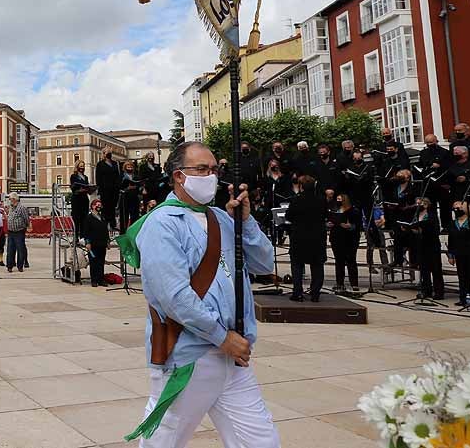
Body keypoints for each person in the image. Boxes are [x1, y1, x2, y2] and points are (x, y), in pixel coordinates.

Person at [133, 142, 278, 448]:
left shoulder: (221, 218)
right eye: (201, 169)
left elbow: (264, 263)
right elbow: (174, 297)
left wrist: (246, 222)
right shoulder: (161, 224)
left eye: (214, 170)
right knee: (165, 439)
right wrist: (221, 336)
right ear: (179, 176)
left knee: (260, 440)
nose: (210, 176)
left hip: (233, 355)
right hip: (190, 356)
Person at [284, 175, 327, 302]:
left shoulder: (296, 200)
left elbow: (289, 216)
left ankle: (297, 292)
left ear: (301, 186)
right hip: (317, 236)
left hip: (299, 236)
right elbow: (325, 215)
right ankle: (315, 293)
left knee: (297, 264)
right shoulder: (321, 200)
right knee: (317, 265)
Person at [411, 197, 444, 300]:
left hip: (432, 244)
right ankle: (426, 290)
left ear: (426, 204)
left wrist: (422, 228)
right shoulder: (416, 215)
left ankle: (439, 292)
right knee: (424, 269)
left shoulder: (432, 214)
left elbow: (435, 229)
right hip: (421, 244)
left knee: (436, 269)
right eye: (416, 204)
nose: (418, 206)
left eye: (420, 204)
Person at [329, 192, 362, 293]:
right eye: (337, 199)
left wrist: (350, 226)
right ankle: (340, 283)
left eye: (340, 199)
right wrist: (329, 224)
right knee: (339, 262)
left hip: (350, 239)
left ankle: (354, 284)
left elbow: (357, 225)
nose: (338, 201)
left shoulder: (354, 211)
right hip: (336, 238)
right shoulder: (334, 210)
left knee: (351, 261)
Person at [385, 169, 417, 268]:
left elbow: (415, 203)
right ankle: (398, 260)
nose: (399, 177)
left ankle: (413, 261)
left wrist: (407, 207)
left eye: (401, 175)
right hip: (396, 215)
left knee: (411, 240)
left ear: (407, 177)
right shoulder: (395, 187)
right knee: (397, 239)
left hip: (408, 215)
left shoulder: (412, 188)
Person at [448, 200, 470, 306]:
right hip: (459, 253)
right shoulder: (453, 223)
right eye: (455, 208)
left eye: (460, 207)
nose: (457, 210)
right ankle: (463, 297)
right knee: (462, 277)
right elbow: (451, 240)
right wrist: (451, 255)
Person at [83, 198, 110, 287]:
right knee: (93, 262)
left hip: (102, 243)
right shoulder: (89, 218)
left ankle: (101, 279)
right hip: (93, 244)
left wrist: (107, 241)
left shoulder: (102, 217)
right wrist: (87, 242)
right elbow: (86, 232)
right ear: (92, 206)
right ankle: (94, 280)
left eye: (99, 205)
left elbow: (106, 230)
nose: (98, 206)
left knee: (101, 262)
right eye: (96, 205)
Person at [5, 192, 31, 272]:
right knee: (10, 249)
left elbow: (26, 218)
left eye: (10, 199)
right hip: (11, 231)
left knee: (20, 249)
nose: (9, 201)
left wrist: (27, 226)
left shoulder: (21, 208)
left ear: (14, 199)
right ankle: (10, 266)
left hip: (19, 231)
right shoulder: (11, 207)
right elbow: (9, 217)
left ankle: (20, 266)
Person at [95, 147, 120, 228]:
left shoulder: (115, 163)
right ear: (104, 154)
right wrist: (99, 189)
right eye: (107, 152)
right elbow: (98, 178)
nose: (109, 154)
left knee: (113, 208)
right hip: (105, 190)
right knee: (105, 209)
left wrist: (118, 187)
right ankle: (104, 226)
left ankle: (113, 225)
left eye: (110, 152)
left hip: (114, 190)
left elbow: (117, 176)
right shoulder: (100, 164)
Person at [70, 161, 91, 244]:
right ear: (77, 167)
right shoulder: (73, 176)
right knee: (76, 219)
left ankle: (83, 237)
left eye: (83, 166)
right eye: (80, 166)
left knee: (84, 219)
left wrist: (89, 189)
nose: (82, 168)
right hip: (76, 199)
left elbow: (87, 186)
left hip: (84, 199)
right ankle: (75, 238)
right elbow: (73, 188)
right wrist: (80, 190)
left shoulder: (85, 177)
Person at [120, 161, 142, 230]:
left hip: (134, 197)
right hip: (125, 197)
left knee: (135, 215)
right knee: (124, 216)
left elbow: (139, 186)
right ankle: (123, 232)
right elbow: (119, 186)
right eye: (128, 167)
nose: (130, 168)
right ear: (125, 168)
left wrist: (137, 187)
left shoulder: (136, 176)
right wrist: (127, 188)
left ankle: (133, 230)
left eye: (131, 167)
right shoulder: (122, 176)